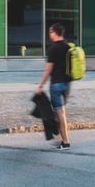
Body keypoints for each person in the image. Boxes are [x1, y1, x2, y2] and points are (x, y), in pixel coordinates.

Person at [35, 19, 75, 149]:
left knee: (60, 114)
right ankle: (60, 138)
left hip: (56, 85)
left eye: (50, 32)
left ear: (55, 32)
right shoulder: (69, 47)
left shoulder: (53, 49)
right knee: (58, 112)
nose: (49, 34)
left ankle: (66, 142)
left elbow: (48, 69)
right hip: (67, 84)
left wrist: (40, 85)